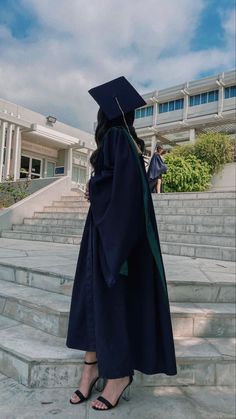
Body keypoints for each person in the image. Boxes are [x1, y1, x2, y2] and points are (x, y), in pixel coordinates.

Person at [66, 76, 177, 411]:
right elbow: (119, 184)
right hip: (110, 230)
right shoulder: (128, 140)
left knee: (106, 298)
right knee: (97, 299)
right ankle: (93, 368)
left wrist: (95, 187)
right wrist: (98, 185)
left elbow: (122, 191)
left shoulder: (115, 137)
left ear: (105, 116)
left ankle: (117, 376)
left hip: (113, 234)